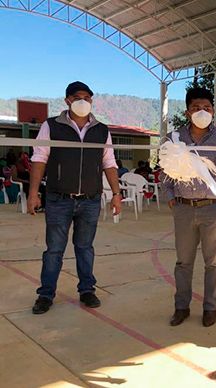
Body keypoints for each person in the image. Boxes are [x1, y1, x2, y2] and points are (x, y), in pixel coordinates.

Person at [27, 81, 122, 314]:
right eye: (79, 97)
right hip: (59, 199)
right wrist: (33, 193)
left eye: (88, 98)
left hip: (90, 200)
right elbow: (39, 159)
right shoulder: (52, 126)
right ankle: (46, 294)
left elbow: (109, 163)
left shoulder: (101, 129)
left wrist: (116, 194)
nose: (84, 101)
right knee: (54, 250)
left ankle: (87, 290)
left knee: (85, 247)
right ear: (67, 100)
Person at [163, 87, 216, 328]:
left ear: (214, 111)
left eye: (207, 108)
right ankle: (181, 307)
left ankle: (210, 307)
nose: (202, 112)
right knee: (183, 262)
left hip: (213, 209)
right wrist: (169, 195)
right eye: (197, 108)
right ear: (188, 112)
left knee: (213, 262)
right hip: (184, 208)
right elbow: (164, 170)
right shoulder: (174, 139)